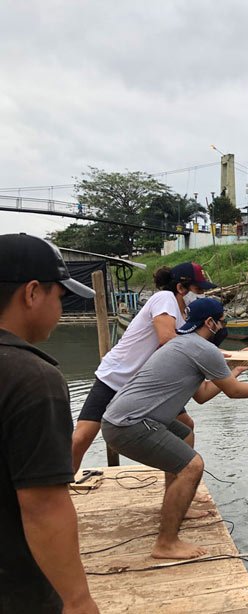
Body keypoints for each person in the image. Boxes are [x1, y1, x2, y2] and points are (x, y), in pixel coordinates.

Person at [101, 297, 248, 560]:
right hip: (129, 425)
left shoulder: (184, 344)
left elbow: (202, 394)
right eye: (222, 320)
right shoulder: (203, 349)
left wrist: (234, 371)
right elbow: (234, 394)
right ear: (210, 323)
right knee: (193, 466)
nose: (224, 325)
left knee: (185, 433)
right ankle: (166, 543)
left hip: (122, 419)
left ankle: (179, 502)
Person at [0, 233, 99, 613]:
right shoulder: (30, 377)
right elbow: (42, 504)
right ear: (31, 293)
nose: (60, 308)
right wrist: (78, 600)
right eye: (59, 297)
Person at [72, 261, 216, 472]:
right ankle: (62, 486)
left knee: (185, 428)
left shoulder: (185, 318)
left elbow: (194, 369)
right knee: (82, 437)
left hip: (146, 387)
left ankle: (179, 481)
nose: (201, 295)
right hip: (116, 377)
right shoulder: (164, 299)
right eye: (198, 290)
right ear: (180, 288)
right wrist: (216, 355)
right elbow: (167, 338)